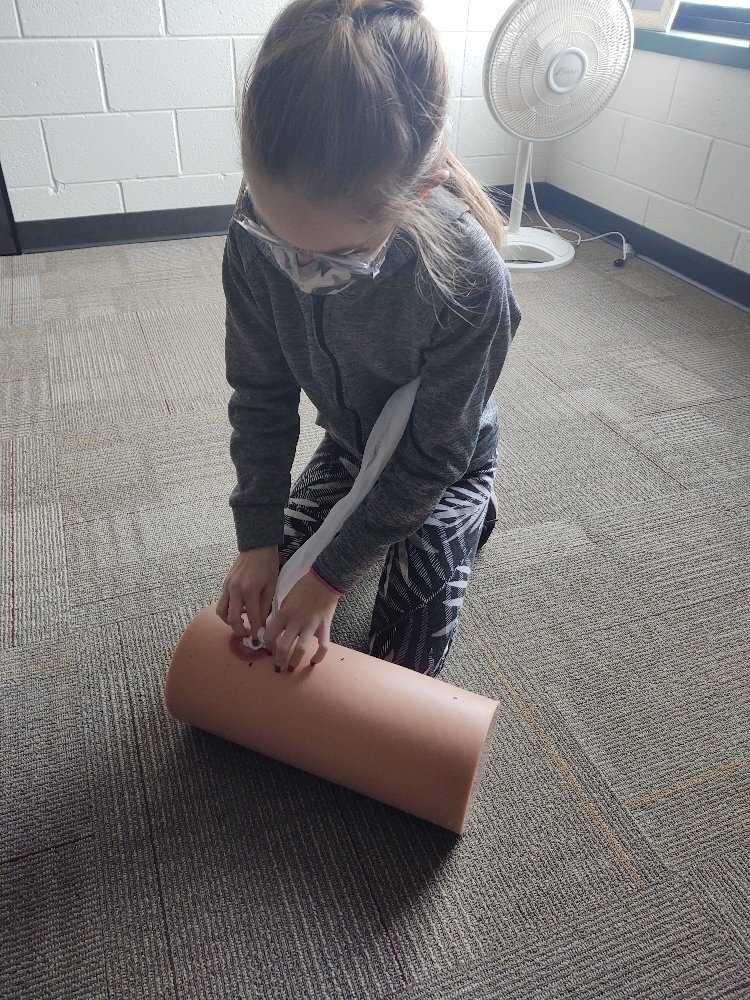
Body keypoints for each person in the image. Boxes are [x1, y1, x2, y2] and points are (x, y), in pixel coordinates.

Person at [216, 0, 521, 677]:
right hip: (354, 445)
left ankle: (474, 514)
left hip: (441, 464)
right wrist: (257, 538)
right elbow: (260, 394)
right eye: (279, 240)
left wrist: (330, 579)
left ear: (421, 192)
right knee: (263, 616)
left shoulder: (471, 282)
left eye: (338, 255)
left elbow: (432, 455)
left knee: (398, 666)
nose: (299, 274)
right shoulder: (248, 235)